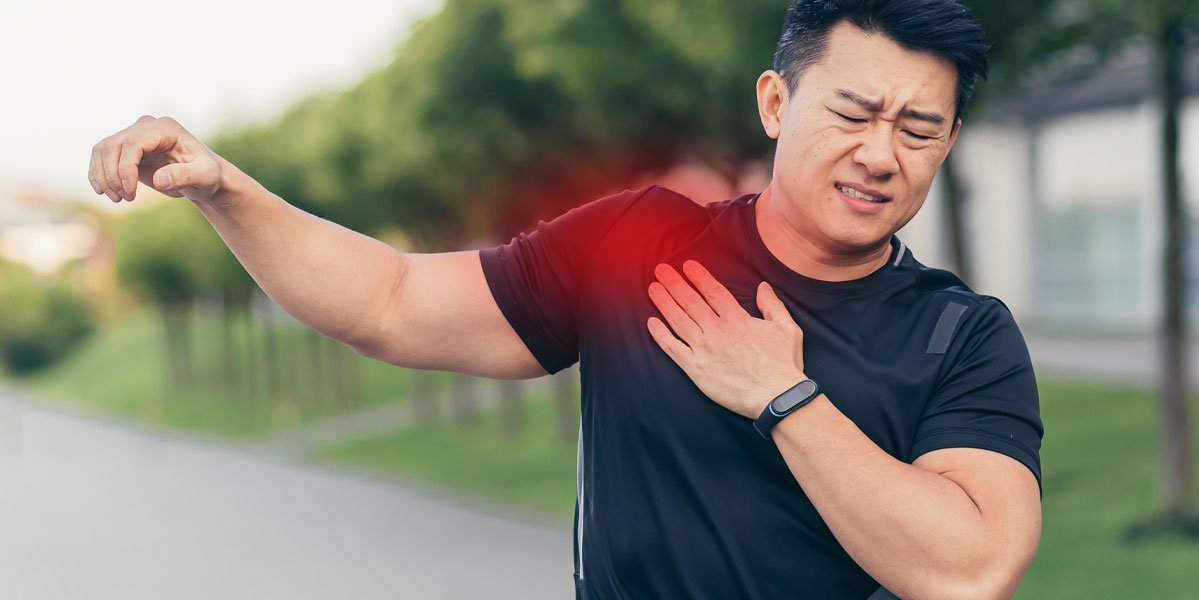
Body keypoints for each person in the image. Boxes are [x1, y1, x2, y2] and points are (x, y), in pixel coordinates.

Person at [87, 0, 1043, 597]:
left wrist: (782, 397)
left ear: (949, 141)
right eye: (854, 112)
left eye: (920, 128)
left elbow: (967, 569)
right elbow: (389, 302)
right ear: (776, 105)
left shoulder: (963, 337)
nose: (882, 152)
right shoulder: (642, 243)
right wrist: (228, 189)